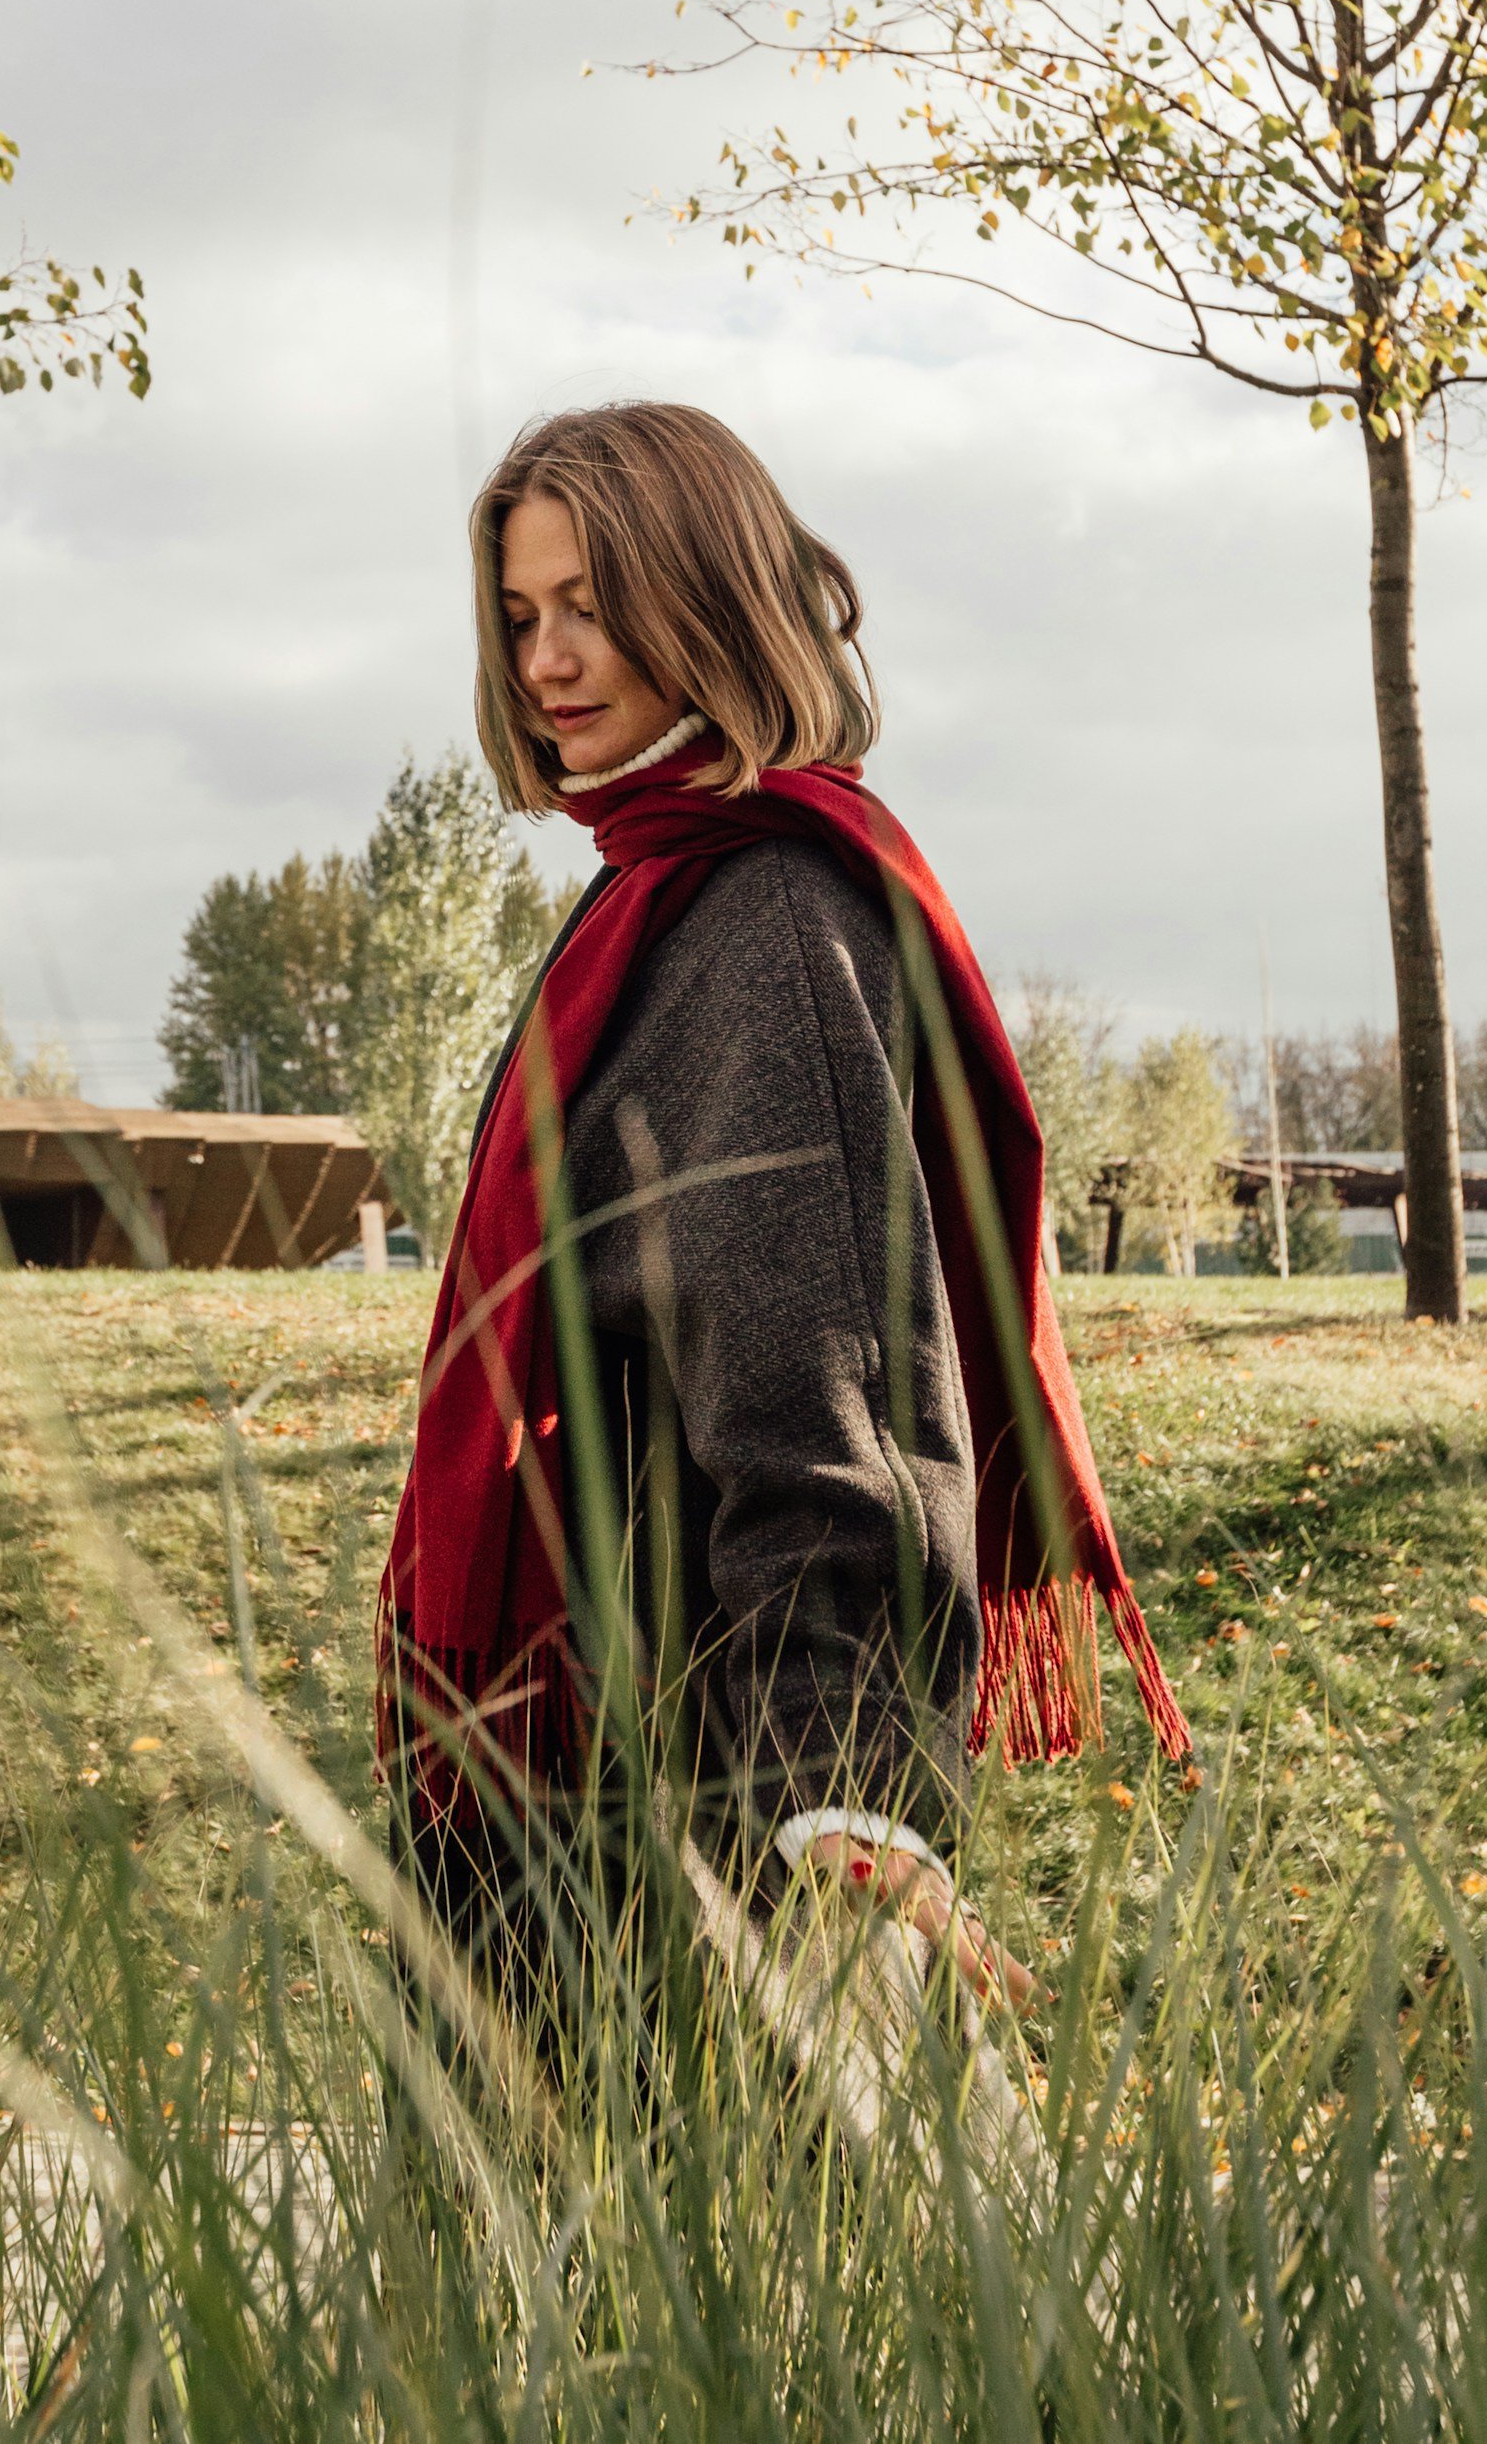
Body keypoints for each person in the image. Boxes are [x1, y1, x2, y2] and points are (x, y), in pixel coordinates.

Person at [378, 400, 1188, 2025]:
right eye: (523, 615)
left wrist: (848, 1805)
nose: (546, 660)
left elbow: (834, 1398)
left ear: (712, 593)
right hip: (564, 1769)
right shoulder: (654, 888)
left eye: (593, 606)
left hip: (668, 1818)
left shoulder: (761, 920)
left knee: (635, 2261)